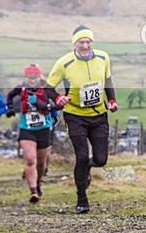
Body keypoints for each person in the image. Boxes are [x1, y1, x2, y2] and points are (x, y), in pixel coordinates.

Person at [46, 26, 118, 213]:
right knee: (82, 156)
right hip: (75, 115)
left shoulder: (103, 57)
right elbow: (48, 88)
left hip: (99, 115)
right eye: (81, 42)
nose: (85, 46)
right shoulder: (64, 63)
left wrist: (111, 100)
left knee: (101, 160)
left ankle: (87, 168)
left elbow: (108, 81)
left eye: (88, 42)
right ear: (74, 44)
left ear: (92, 43)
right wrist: (57, 98)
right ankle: (82, 199)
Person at [5, 64, 60, 203]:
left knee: (41, 163)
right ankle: (33, 191)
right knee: (30, 159)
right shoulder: (21, 89)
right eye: (30, 78)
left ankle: (38, 181)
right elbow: (10, 95)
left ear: (39, 77)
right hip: (26, 129)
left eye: (35, 77)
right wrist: (10, 108)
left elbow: (61, 103)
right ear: (26, 78)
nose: (33, 80)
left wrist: (47, 107)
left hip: (44, 129)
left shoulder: (47, 89)